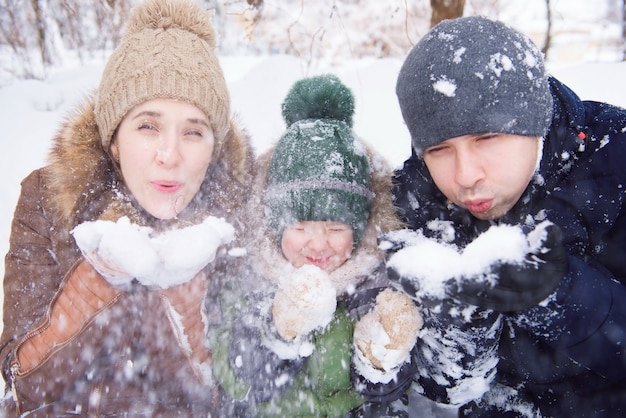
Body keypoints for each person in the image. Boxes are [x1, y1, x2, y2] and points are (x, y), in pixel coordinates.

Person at [0, 0, 253, 415]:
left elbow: (230, 394)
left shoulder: (230, 225)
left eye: (193, 131)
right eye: (148, 126)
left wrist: (184, 301)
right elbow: (23, 380)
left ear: (214, 148)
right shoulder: (49, 202)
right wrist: (97, 282)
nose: (169, 154)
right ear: (115, 140)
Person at [382, 15, 626, 417]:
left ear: (534, 120)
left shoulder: (614, 161)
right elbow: (448, 389)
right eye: (439, 150)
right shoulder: (418, 200)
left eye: (487, 138)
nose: (465, 176)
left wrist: (558, 295)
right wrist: (461, 320)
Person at [209, 74, 422, 417]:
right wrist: (277, 332)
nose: (319, 243)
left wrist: (381, 361)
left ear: (360, 226)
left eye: (336, 226)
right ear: (275, 226)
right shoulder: (248, 282)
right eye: (300, 225)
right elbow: (239, 378)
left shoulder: (377, 288)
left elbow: (386, 397)